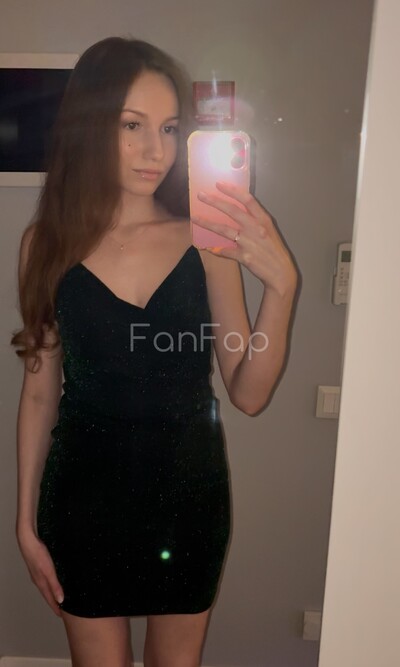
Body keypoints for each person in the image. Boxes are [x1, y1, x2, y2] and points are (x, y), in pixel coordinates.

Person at [11, 36, 298, 667]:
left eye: (169, 128)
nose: (156, 151)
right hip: (82, 504)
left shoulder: (207, 240)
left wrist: (282, 287)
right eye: (132, 125)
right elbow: (38, 393)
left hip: (188, 502)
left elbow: (248, 393)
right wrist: (25, 523)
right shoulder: (45, 245)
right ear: (90, 127)